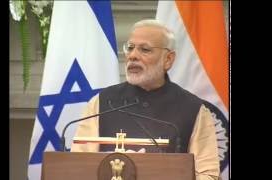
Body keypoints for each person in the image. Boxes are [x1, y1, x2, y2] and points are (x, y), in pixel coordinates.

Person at [71, 19, 220, 180]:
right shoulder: (102, 102)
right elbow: (79, 166)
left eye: (145, 49)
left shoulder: (193, 109)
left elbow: (207, 174)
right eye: (130, 48)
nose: (133, 55)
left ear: (168, 59)